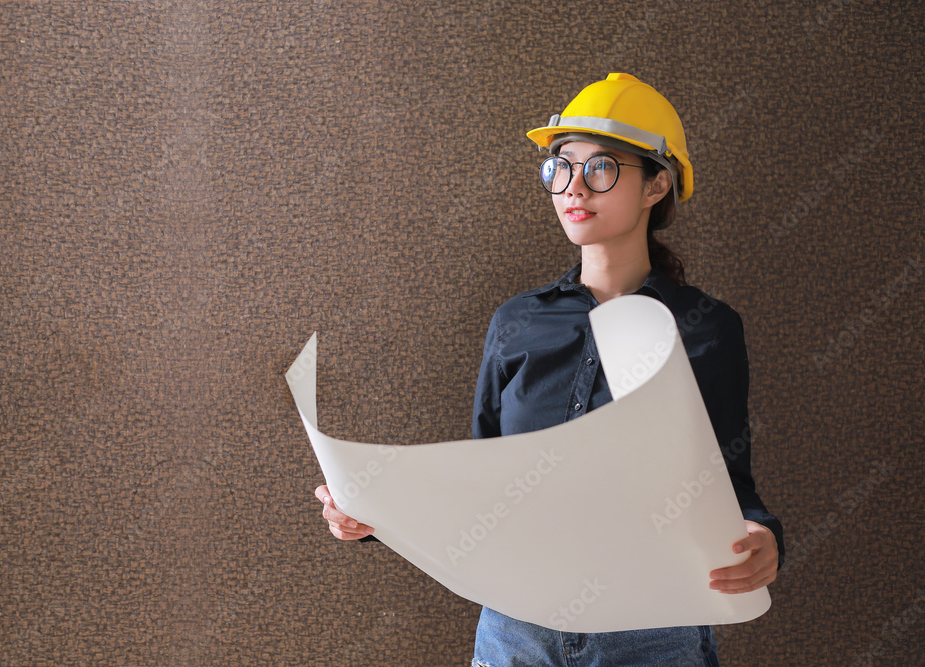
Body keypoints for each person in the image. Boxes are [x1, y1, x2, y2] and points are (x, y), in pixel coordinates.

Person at [315, 72, 784, 666]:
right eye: (560, 166)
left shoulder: (706, 328)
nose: (573, 187)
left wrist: (765, 537)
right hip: (516, 636)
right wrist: (373, 515)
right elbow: (481, 483)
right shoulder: (517, 322)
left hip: (653, 633)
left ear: (656, 185)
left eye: (601, 168)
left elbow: (726, 480)